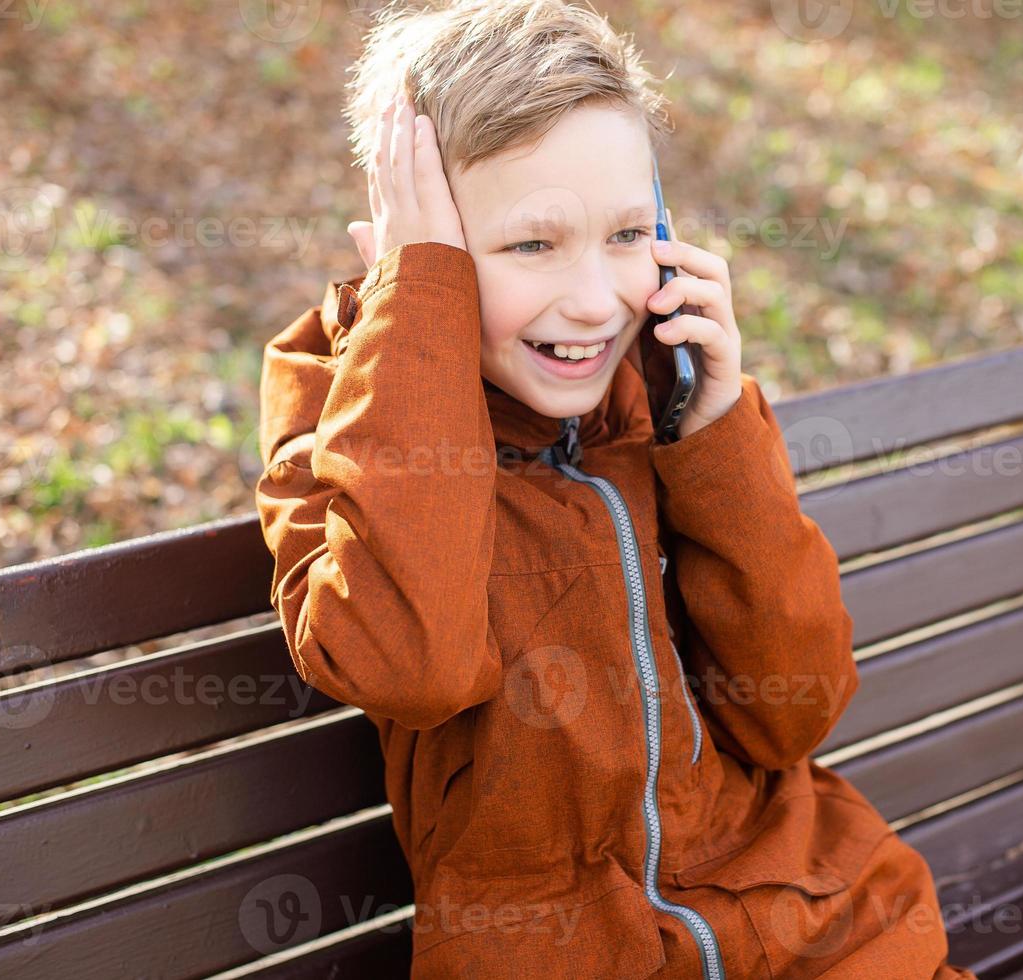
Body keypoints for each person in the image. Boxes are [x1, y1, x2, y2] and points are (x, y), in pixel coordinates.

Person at [255, 1, 978, 976]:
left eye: (628, 232)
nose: (596, 300)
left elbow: (794, 710)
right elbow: (410, 663)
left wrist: (714, 434)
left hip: (822, 929)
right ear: (398, 258)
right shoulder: (341, 426)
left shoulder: (660, 396)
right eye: (531, 245)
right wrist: (417, 311)